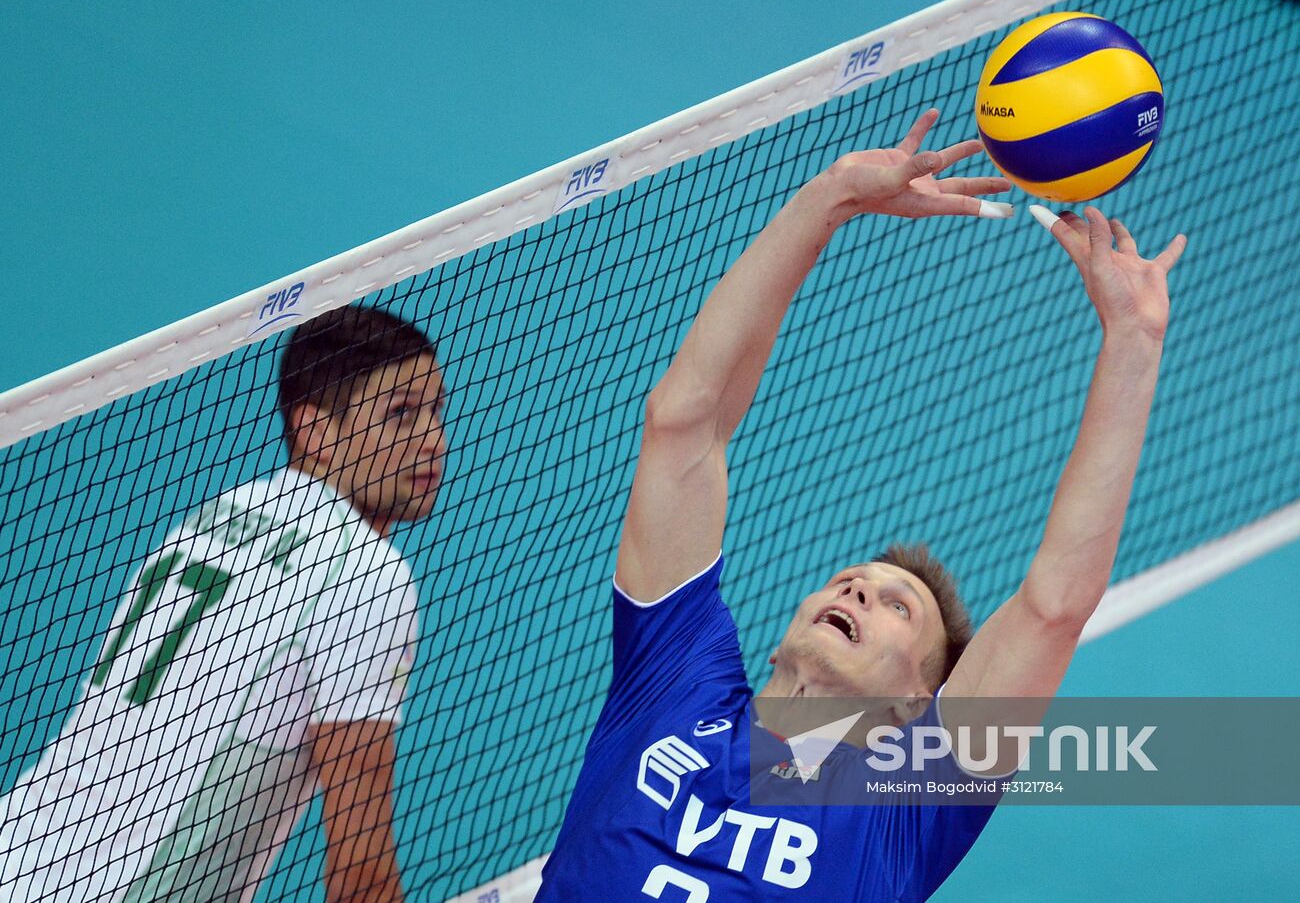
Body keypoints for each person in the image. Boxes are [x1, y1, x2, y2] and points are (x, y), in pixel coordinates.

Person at [539, 108, 1186, 900]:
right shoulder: (675, 678)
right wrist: (831, 199)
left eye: (894, 609)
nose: (856, 591)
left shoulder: (908, 802)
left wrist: (1132, 343)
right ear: (783, 634)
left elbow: (1054, 605)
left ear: (916, 705)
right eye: (852, 581)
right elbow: (685, 425)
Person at [0, 305, 448, 903]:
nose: (433, 441)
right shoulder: (367, 576)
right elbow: (361, 876)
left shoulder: (214, 518)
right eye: (400, 415)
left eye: (436, 410)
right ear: (314, 431)